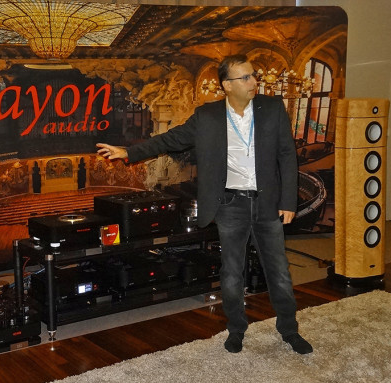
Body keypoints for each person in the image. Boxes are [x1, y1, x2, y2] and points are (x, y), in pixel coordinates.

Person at [96, 54, 313, 355]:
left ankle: (289, 330)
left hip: (267, 203)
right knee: (232, 273)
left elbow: (287, 155)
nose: (254, 81)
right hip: (230, 204)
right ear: (227, 85)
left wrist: (288, 201)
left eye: (253, 75)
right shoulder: (207, 116)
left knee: (278, 272)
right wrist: (129, 152)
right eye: (246, 77)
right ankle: (236, 330)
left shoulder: (273, 109)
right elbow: (170, 139)